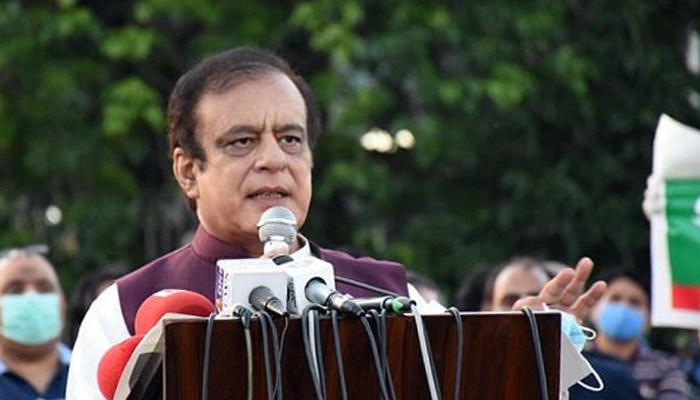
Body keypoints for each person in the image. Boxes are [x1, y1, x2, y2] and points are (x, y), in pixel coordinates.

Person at [66, 47, 607, 398]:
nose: (273, 159)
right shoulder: (127, 310)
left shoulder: (387, 295)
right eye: (242, 141)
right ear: (188, 170)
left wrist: (522, 350)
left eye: (291, 139)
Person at [587, 267, 690, 399]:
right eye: (615, 299)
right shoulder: (574, 357)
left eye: (635, 303)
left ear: (649, 318)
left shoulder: (665, 368)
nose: (624, 308)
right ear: (594, 309)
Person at [0, 246, 71, 400]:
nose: (31, 297)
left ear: (63, 302)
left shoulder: (92, 372)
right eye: (15, 290)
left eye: (45, 289)